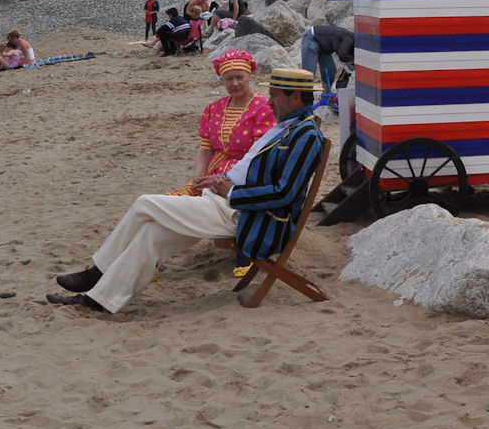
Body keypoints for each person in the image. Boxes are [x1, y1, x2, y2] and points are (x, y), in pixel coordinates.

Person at [46, 68, 325, 313]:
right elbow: (252, 168)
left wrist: (229, 192)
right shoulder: (285, 127)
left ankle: (97, 272)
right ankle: (99, 300)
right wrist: (220, 179)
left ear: (296, 98)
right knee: (151, 234)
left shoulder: (306, 136)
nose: (268, 100)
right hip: (226, 203)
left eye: (275, 95)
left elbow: (283, 194)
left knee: (144, 203)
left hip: (249, 216)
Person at [167, 49, 275, 276]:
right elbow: (205, 149)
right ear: (222, 80)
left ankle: (243, 252)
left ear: (250, 77)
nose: (235, 83)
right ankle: (154, 257)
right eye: (229, 79)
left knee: (217, 203)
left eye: (240, 77)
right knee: (178, 201)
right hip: (214, 169)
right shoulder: (214, 108)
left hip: (245, 173)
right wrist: (197, 177)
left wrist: (222, 179)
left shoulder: (263, 108)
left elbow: (257, 155)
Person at [300, 24, 354, 100]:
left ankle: (325, 98)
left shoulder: (351, 41)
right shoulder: (348, 38)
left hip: (324, 48)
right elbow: (342, 55)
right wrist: (353, 60)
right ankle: (304, 101)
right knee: (309, 74)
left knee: (331, 72)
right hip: (311, 38)